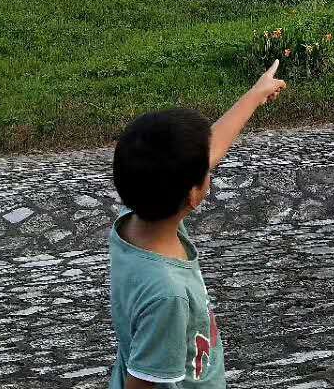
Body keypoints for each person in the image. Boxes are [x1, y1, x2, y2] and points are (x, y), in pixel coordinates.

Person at [108, 61, 286, 388]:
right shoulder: (168, 295)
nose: (211, 167)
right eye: (207, 171)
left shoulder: (136, 216)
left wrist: (255, 94)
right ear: (192, 196)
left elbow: (206, 150)